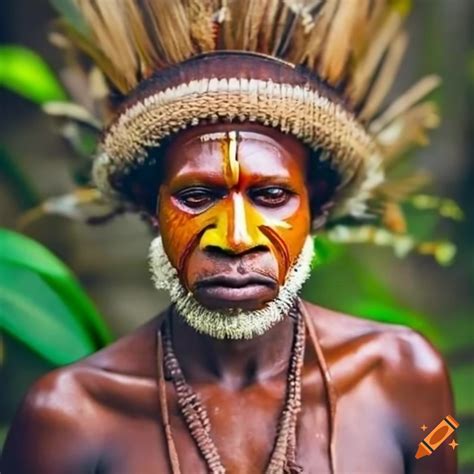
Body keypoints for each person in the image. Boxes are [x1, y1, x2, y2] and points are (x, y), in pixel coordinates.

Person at [2, 1, 456, 473]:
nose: (236, 238)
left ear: (316, 208)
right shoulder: (70, 416)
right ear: (152, 208)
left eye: (272, 195)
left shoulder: (404, 377)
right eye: (197, 196)